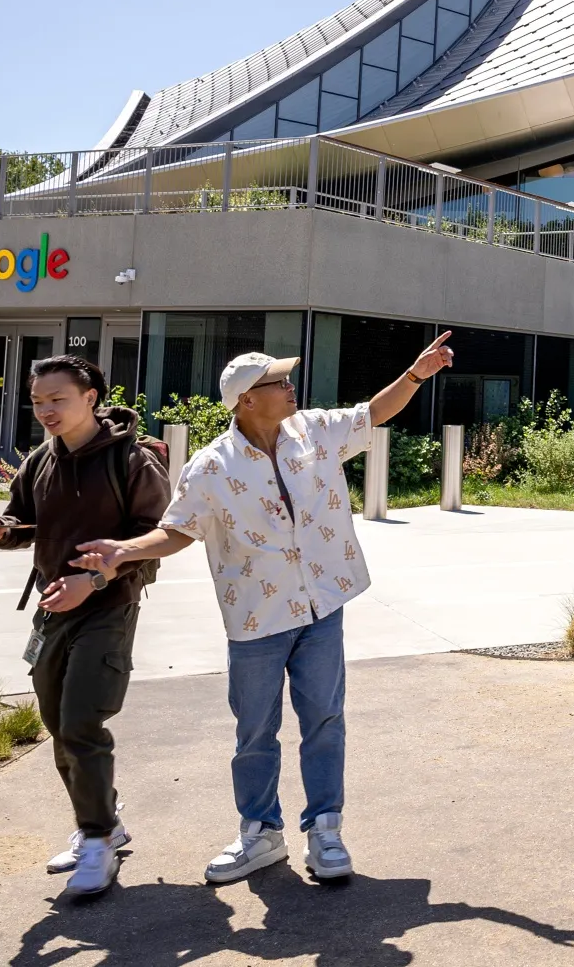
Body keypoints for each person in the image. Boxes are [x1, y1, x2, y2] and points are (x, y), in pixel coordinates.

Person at [74, 332, 454, 885]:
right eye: (279, 381)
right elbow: (177, 531)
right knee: (255, 730)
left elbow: (373, 412)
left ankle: (325, 829)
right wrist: (123, 552)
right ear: (247, 400)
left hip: (323, 604)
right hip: (257, 618)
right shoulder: (210, 467)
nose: (291, 385)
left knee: (325, 721)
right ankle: (260, 832)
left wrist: (417, 374)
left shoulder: (315, 431)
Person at [0, 354, 169, 899]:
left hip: (108, 606)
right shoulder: (41, 459)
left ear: (91, 397)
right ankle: (103, 819)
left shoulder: (133, 460)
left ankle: (98, 839)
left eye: (57, 399)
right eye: (37, 402)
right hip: (52, 606)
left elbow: (157, 539)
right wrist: (1, 530)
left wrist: (98, 580)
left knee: (81, 720)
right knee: (59, 723)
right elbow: (25, 522)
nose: (45, 411)